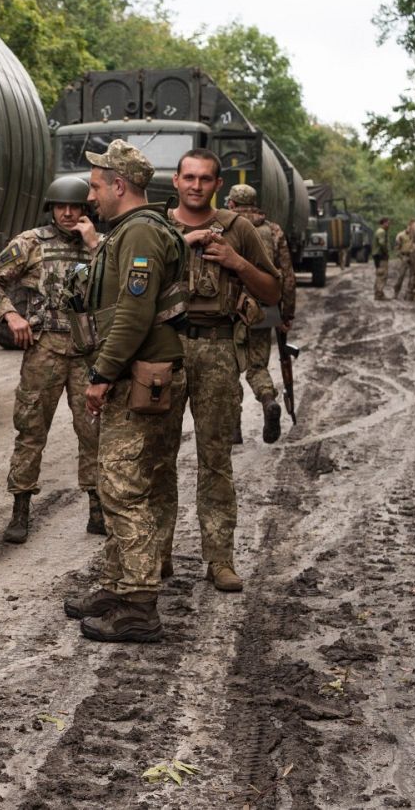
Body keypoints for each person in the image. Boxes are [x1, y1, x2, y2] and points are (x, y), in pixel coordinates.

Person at [60, 139, 188, 643]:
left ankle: (138, 605)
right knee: (123, 482)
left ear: (119, 185)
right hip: (135, 371)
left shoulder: (138, 234)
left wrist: (101, 374)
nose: (92, 197)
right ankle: (116, 586)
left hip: (136, 374)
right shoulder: (130, 232)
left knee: (121, 485)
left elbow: (134, 315)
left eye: (96, 187)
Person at [161, 150, 280, 593]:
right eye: (188, 177)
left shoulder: (239, 228)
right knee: (158, 458)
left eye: (205, 178)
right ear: (175, 180)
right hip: (164, 347)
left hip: (216, 349)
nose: (196, 185)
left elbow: (271, 292)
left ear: (217, 184)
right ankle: (157, 554)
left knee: (215, 460)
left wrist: (236, 261)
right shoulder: (156, 226)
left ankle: (219, 558)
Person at [0, 175, 102, 543]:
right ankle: (20, 509)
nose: (67, 214)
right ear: (51, 208)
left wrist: (94, 245)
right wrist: (10, 315)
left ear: (87, 209)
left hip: (87, 352)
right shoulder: (31, 243)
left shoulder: (101, 245)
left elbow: (120, 284)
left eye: (75, 207)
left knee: (94, 433)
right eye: (61, 207)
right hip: (45, 349)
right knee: (31, 431)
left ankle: (98, 509)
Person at [226, 184, 295, 444]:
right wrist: (286, 312)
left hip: (230, 309)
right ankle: (268, 400)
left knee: (230, 369)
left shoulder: (223, 225)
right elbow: (286, 276)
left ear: (232, 204)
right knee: (257, 366)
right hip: (263, 308)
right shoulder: (273, 229)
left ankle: (234, 429)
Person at [392, 224, 415, 298]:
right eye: (411, 226)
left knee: (413, 276)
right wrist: (401, 257)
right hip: (404, 256)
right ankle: (396, 292)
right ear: (408, 226)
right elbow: (396, 247)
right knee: (401, 275)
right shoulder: (401, 235)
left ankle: (409, 293)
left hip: (414, 257)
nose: (412, 228)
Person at [372, 217, 393, 300]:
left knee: (379, 274)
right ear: (383, 223)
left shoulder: (379, 231)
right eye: (388, 223)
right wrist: (386, 252)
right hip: (381, 256)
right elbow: (382, 243)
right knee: (382, 275)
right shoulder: (382, 231)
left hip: (377, 255)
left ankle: (377, 292)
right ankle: (379, 294)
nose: (389, 225)